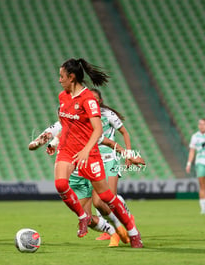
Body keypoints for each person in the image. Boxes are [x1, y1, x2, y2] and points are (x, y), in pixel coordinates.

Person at [53, 58, 142, 247]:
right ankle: (83, 216)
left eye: (62, 76)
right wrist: (54, 141)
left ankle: (133, 232)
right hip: (67, 150)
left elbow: (98, 130)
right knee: (60, 184)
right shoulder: (63, 97)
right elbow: (65, 124)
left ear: (72, 77)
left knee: (106, 198)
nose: (59, 80)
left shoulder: (88, 100)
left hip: (89, 153)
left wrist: (86, 150)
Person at [29, 121, 144, 247]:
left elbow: (109, 142)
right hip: (76, 180)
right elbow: (35, 143)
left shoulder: (83, 126)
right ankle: (112, 231)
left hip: (89, 172)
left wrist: (128, 155)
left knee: (100, 202)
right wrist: (36, 143)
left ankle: (120, 225)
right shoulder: (58, 127)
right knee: (87, 219)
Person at [89, 88, 140, 241]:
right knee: (99, 200)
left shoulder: (108, 115)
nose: (93, 100)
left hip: (110, 158)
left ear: (100, 100)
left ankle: (127, 219)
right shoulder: (86, 116)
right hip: (95, 160)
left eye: (95, 98)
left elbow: (125, 132)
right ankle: (111, 228)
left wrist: (129, 155)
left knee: (109, 197)